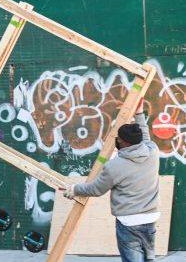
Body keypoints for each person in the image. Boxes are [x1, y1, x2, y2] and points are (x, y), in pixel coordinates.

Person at [61, 102, 159, 262]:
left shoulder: (114, 166)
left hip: (128, 222)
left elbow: (96, 189)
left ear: (125, 143)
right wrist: (139, 113)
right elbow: (145, 137)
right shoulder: (152, 152)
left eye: (118, 138)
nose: (117, 140)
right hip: (150, 218)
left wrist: (74, 189)